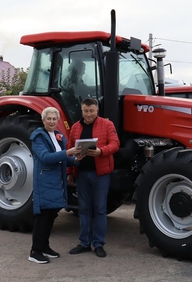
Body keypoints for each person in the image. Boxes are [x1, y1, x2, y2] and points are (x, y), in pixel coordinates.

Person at [29, 107, 82, 264]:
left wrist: (77, 160)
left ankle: (45, 246)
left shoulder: (59, 137)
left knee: (51, 214)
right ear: (43, 120)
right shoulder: (38, 137)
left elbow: (63, 159)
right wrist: (68, 153)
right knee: (43, 217)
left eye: (54, 119)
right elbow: (46, 157)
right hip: (45, 181)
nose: (51, 121)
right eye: (49, 119)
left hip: (56, 182)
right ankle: (35, 251)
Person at [67, 98, 120, 258]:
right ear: (82, 111)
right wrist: (69, 171)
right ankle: (84, 243)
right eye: (85, 111)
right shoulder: (76, 127)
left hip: (100, 174)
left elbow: (115, 144)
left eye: (91, 111)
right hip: (82, 174)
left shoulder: (107, 125)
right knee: (84, 210)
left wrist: (101, 151)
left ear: (97, 110)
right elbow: (69, 148)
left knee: (100, 210)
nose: (88, 114)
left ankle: (98, 244)